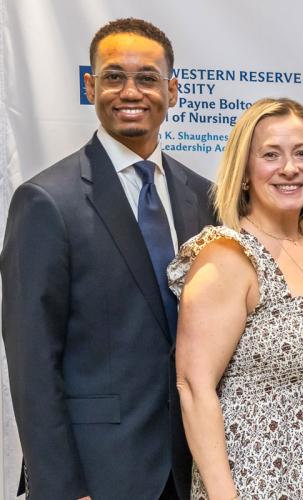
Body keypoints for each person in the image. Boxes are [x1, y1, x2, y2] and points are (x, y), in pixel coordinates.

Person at [1, 18, 213, 499]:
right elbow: (33, 365)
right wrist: (61, 488)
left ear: (173, 91)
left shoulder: (203, 197)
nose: (130, 91)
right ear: (90, 86)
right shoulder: (46, 202)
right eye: (114, 76)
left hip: (190, 471)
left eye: (147, 78)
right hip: (97, 477)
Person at [169, 98, 303, 498]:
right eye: (271, 155)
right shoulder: (228, 256)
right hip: (262, 480)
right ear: (245, 170)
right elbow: (193, 387)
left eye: (302, 153)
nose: (289, 168)